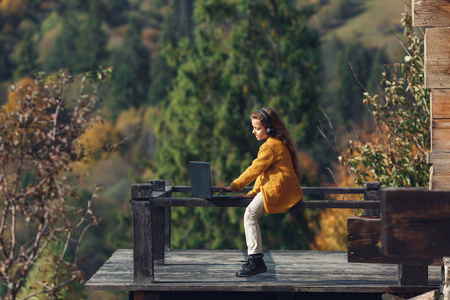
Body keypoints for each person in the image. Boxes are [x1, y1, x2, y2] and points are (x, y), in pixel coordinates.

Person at [217, 107, 303, 277]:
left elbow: (254, 170)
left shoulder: (270, 146)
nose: (253, 131)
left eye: (257, 128)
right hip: (278, 187)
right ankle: (255, 259)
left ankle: (256, 260)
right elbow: (265, 174)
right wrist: (252, 193)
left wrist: (234, 186)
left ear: (269, 129)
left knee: (249, 215)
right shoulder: (275, 144)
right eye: (254, 127)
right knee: (250, 214)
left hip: (278, 189)